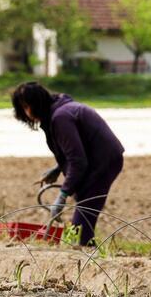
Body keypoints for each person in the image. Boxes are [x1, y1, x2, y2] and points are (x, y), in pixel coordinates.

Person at [11, 82, 124, 247]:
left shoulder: (60, 118)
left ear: (36, 104)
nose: (27, 113)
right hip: (95, 158)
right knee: (84, 205)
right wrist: (57, 169)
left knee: (85, 208)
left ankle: (85, 250)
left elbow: (78, 161)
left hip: (103, 160)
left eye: (27, 107)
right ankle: (85, 247)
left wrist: (62, 195)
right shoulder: (58, 112)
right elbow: (76, 151)